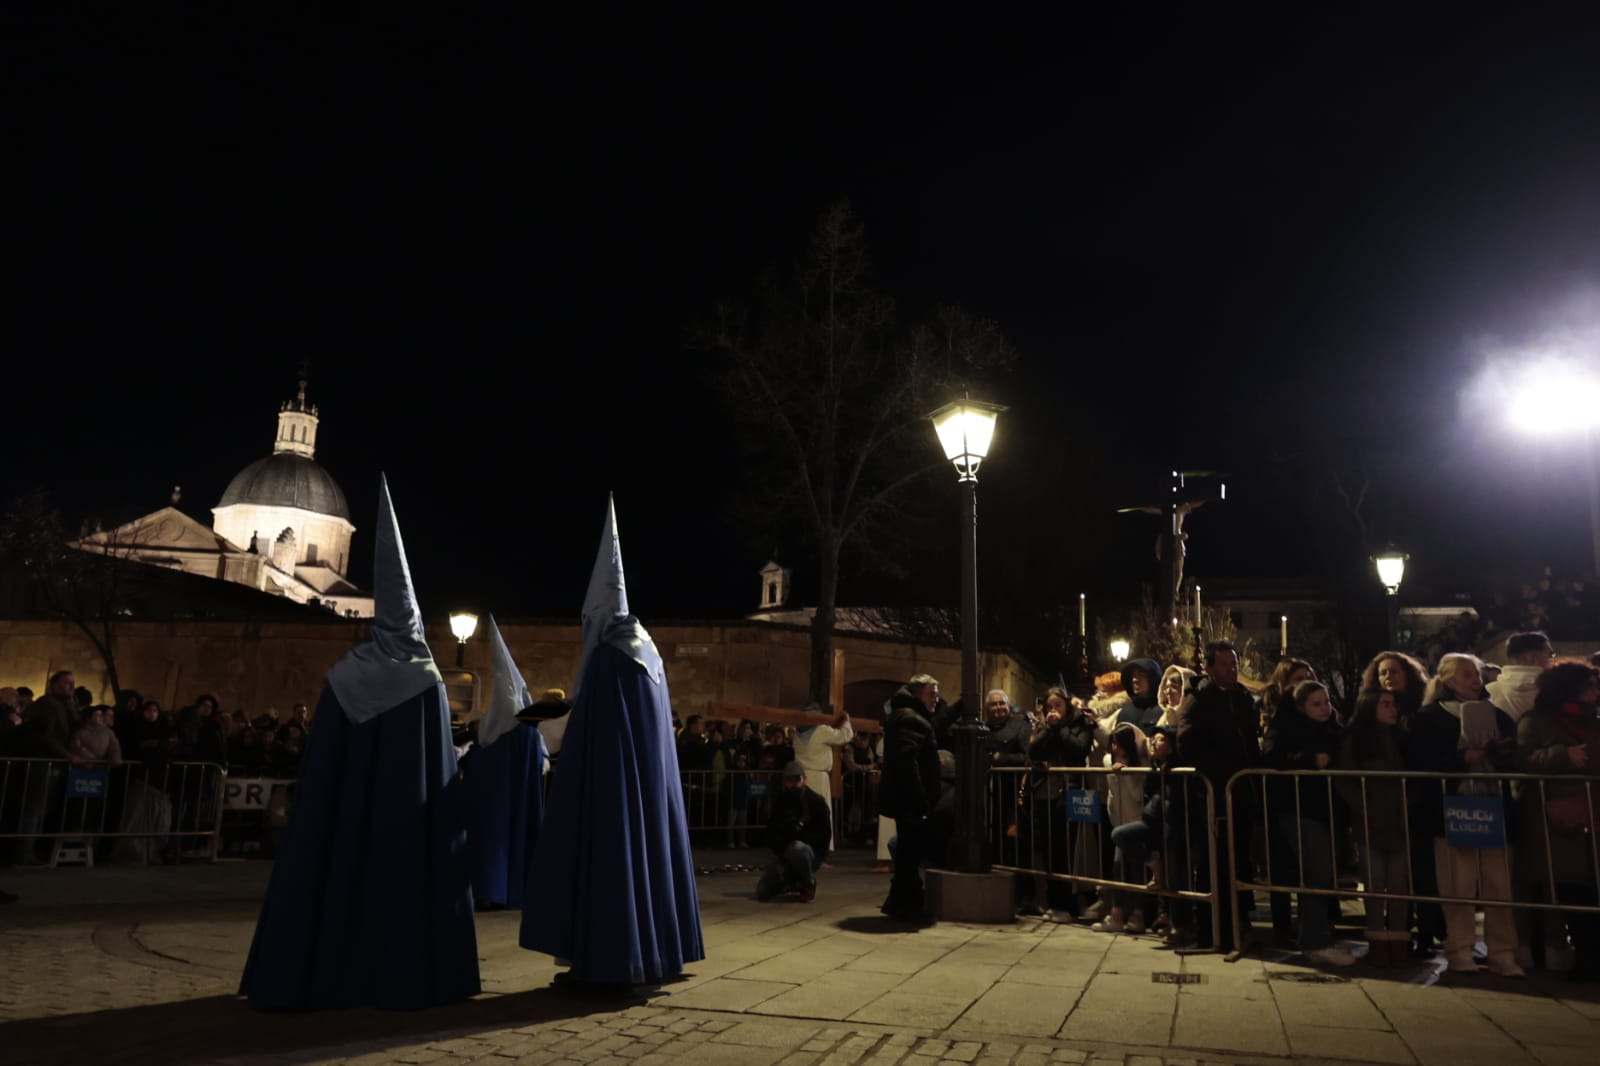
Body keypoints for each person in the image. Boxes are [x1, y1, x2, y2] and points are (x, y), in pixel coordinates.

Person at [239, 475, 480, 1010]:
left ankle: (321, 967)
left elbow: (326, 763)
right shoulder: (427, 678)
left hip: (345, 819)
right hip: (408, 822)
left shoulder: (346, 674)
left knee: (337, 879)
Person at [520, 496, 703, 985]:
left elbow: (590, 731)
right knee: (649, 850)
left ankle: (610, 957)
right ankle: (657, 950)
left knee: (612, 856)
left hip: (610, 786)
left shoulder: (607, 657)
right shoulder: (650, 653)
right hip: (648, 785)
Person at [1406, 652, 1522, 976]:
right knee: (1458, 884)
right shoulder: (1429, 718)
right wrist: (1460, 758)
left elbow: (1514, 757)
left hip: (1493, 808)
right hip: (1452, 810)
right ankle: (1460, 948)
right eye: (1467, 675)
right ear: (1447, 679)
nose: (1475, 680)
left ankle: (1502, 951)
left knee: (1498, 885)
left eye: (1477, 674)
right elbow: (1421, 761)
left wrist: (1501, 752)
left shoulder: (1498, 715)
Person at [1514, 659, 1600, 982]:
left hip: (1591, 817)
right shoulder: (1535, 721)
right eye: (1589, 686)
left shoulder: (1593, 722)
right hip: (1553, 822)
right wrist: (1563, 756)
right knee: (1569, 891)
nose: (1595, 692)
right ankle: (1584, 957)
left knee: (1588, 891)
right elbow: (1524, 760)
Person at [1171, 641, 1259, 950]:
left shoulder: (1243, 699)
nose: (1231, 669)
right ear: (1209, 668)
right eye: (1224, 664)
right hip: (1214, 792)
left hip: (1241, 792)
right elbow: (1187, 743)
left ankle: (1241, 922)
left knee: (1241, 860)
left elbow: (1250, 741)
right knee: (1213, 862)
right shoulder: (1198, 699)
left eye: (1234, 663)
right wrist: (1220, 771)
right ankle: (1211, 928)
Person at [459, 615, 549, 911]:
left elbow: (484, 753)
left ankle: (490, 889)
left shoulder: (497, 720)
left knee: (491, 841)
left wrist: (468, 756)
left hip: (492, 800)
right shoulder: (526, 725)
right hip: (515, 798)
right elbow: (540, 759)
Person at [1262, 681, 1351, 966]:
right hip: (1299, 808)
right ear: (1301, 707)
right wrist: (1310, 760)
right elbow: (1273, 760)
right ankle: (1313, 940)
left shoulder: (1334, 730)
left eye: (1326, 702)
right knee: (1317, 872)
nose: (1325, 708)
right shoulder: (1287, 730)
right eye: (1316, 704)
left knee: (1324, 873)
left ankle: (1317, 932)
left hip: (1328, 809)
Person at [1335, 690, 1411, 966]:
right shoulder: (1357, 740)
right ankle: (1378, 938)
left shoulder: (1401, 738)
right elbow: (1345, 779)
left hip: (1399, 819)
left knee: (1399, 884)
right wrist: (1362, 805)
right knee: (1376, 882)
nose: (1393, 710)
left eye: (1394, 704)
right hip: (1372, 819)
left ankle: (1399, 939)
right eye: (1385, 705)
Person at [878, 674, 941, 923]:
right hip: (910, 800)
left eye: (937, 694)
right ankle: (907, 904)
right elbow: (908, 762)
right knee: (910, 851)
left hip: (906, 798)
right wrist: (922, 800)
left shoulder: (909, 716)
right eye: (931, 694)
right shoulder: (911, 719)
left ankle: (899, 901)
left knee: (908, 850)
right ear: (917, 694)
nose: (936, 699)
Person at [756, 761, 832, 902]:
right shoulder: (782, 802)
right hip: (786, 853)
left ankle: (807, 882)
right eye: (790, 780)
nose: (794, 784)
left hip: (810, 853)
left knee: (798, 848)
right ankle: (795, 883)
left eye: (797, 779)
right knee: (763, 892)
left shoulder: (816, 802)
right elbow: (772, 831)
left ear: (804, 778)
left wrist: (802, 837)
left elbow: (825, 835)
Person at [792, 701, 854, 844]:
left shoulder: (797, 733)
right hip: (818, 776)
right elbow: (844, 736)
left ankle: (804, 845)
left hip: (802, 776)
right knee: (820, 814)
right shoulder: (821, 730)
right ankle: (819, 848)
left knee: (805, 812)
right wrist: (846, 721)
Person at [1487, 631, 1555, 722]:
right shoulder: (1555, 691)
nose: (1554, 660)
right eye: (1551, 655)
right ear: (1532, 658)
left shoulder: (1488, 692)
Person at [1116, 660, 1164, 731]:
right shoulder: (1124, 713)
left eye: (1141, 675)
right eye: (1133, 676)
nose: (1134, 680)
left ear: (1153, 679)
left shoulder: (1164, 710)